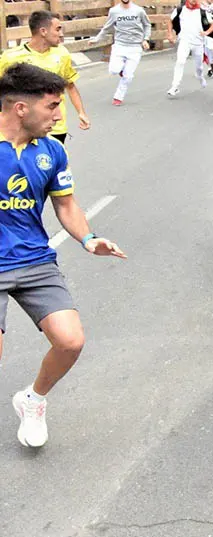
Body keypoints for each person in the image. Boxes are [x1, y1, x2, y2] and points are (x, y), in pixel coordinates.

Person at [0, 64, 126, 448]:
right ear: (21, 108)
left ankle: (33, 400)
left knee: (70, 342)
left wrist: (88, 238)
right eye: (52, 106)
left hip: (35, 260)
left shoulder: (52, 150)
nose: (58, 115)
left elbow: (66, 206)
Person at [0, 11, 91, 144]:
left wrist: (81, 113)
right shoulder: (11, 57)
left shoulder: (62, 54)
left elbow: (70, 86)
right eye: (58, 29)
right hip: (24, 127)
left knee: (54, 162)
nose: (61, 34)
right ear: (43, 31)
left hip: (55, 128)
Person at [90, 0, 152, 106]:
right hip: (120, 45)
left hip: (135, 46)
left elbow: (147, 25)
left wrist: (145, 39)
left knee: (128, 76)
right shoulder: (114, 11)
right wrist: (97, 39)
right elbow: (107, 27)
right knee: (114, 70)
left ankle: (118, 97)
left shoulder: (139, 11)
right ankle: (121, 70)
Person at [166, 0, 213, 97]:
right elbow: (170, 21)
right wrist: (170, 34)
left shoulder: (203, 11)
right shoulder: (180, 9)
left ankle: (200, 77)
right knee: (180, 62)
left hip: (198, 43)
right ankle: (174, 86)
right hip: (184, 41)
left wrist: (206, 32)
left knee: (199, 67)